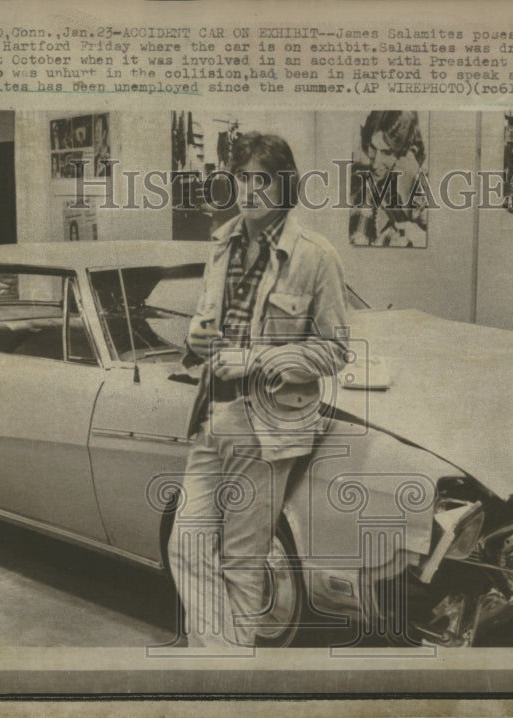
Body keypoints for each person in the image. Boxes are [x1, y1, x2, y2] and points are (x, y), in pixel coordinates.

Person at [168, 132, 349, 648]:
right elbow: (204, 325)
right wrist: (194, 339)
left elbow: (335, 351)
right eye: (242, 178)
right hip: (212, 418)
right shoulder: (222, 245)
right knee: (186, 545)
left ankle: (223, 685)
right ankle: (224, 671)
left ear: (283, 185)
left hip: (266, 426)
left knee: (242, 564)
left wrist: (259, 359)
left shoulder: (315, 256)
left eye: (261, 180)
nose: (249, 190)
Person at [349, 110, 428, 247]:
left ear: (408, 153)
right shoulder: (371, 187)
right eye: (373, 148)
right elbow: (358, 241)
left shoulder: (425, 189)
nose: (375, 163)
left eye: (386, 152)